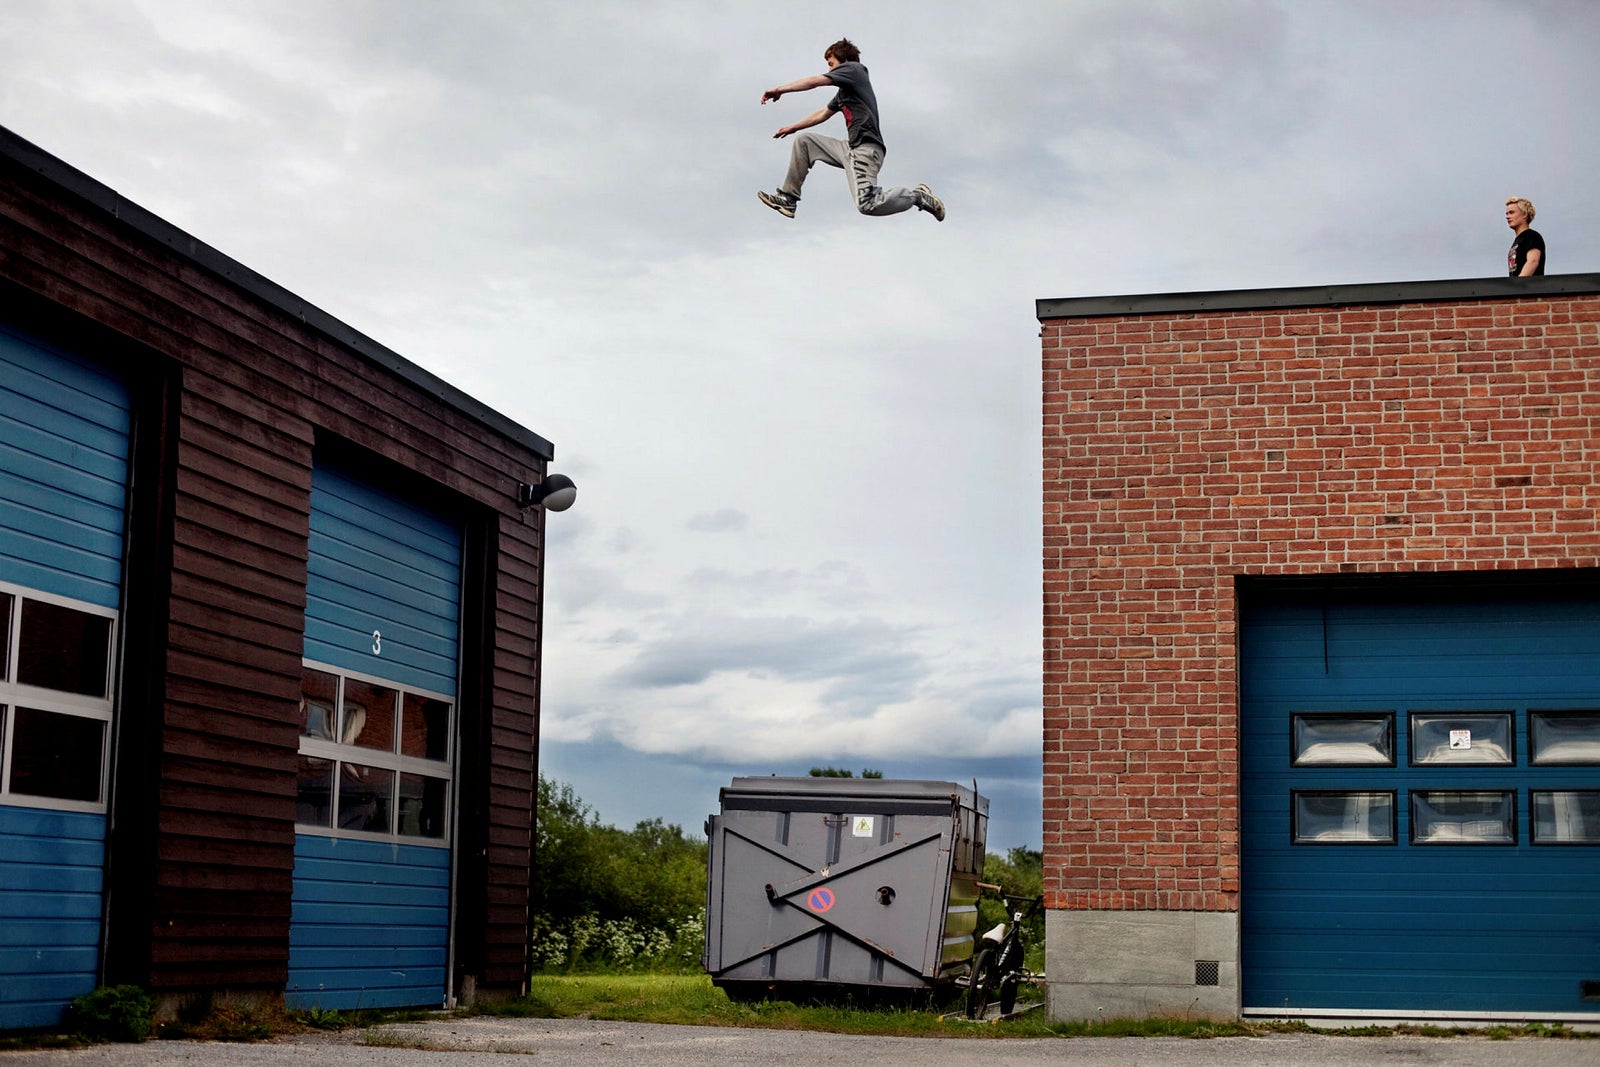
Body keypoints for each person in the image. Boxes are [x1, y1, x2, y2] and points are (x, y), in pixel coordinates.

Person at [758, 38, 944, 222]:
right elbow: (823, 113)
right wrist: (793, 127)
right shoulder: (845, 91)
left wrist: (780, 89)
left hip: (866, 149)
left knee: (867, 204)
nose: (830, 70)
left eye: (831, 64)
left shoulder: (855, 70)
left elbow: (814, 81)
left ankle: (917, 196)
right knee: (804, 141)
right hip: (850, 149)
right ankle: (788, 199)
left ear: (844, 61)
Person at [1505, 197, 1545, 276]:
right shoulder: (1518, 241)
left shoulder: (1532, 236)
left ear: (1524, 214)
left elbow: (1533, 261)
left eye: (1511, 212)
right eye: (1507, 214)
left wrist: (1519, 285)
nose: (1507, 216)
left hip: (1529, 287)